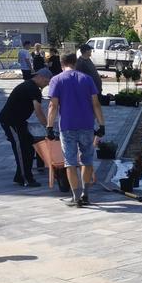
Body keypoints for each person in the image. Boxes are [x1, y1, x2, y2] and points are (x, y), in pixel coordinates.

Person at [47, 52, 106, 207]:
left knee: (70, 162)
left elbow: (53, 105)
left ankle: (76, 196)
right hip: (87, 125)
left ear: (61, 64)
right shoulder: (87, 79)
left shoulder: (56, 80)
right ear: (75, 62)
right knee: (87, 160)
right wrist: (101, 124)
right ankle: (86, 194)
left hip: (67, 126)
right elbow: (96, 104)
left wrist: (49, 126)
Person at [0, 68, 50, 187]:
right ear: (40, 77)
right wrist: (48, 127)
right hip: (11, 121)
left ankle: (20, 175)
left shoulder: (30, 86)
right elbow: (38, 111)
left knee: (29, 146)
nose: (46, 85)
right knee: (22, 149)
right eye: (46, 82)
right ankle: (24, 178)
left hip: (19, 121)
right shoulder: (33, 89)